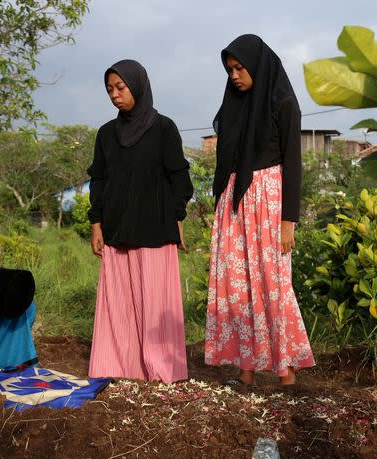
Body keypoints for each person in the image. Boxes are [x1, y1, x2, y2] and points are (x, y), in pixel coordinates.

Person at [205, 34, 315, 389]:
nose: (235, 75)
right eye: (230, 70)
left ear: (258, 64)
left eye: (240, 67)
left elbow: (293, 165)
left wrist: (289, 221)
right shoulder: (234, 106)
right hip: (234, 200)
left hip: (269, 199)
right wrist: (222, 203)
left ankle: (286, 373)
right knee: (236, 289)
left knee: (274, 284)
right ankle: (245, 371)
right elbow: (227, 160)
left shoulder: (283, 103)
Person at [87, 59, 194, 384]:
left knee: (155, 305)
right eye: (109, 89)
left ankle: (161, 371)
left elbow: (180, 180)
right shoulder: (106, 134)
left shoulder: (163, 129)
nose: (115, 95)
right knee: (119, 306)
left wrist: (176, 216)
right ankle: (118, 367)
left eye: (120, 87)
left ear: (138, 85)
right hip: (117, 232)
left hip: (155, 232)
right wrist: (96, 223)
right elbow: (99, 182)